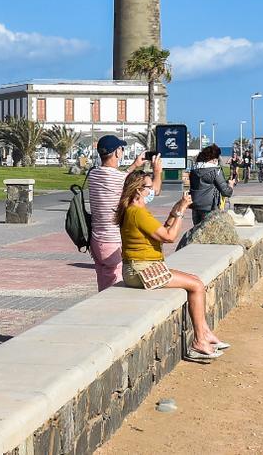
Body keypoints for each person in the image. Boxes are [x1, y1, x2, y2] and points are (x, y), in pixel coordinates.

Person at [117, 171, 226, 359]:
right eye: (149, 188)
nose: (152, 191)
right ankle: (200, 340)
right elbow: (169, 236)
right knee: (196, 285)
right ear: (138, 190)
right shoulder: (136, 212)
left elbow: (161, 230)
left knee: (195, 279)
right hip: (141, 271)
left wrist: (176, 208)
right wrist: (182, 211)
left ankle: (205, 333)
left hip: (144, 267)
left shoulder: (136, 210)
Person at [87, 135, 160, 291]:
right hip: (112, 242)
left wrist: (133, 166)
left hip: (96, 240)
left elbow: (118, 178)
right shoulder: (121, 179)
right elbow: (153, 191)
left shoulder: (93, 175)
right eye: (121, 148)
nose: (122, 151)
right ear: (117, 153)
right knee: (116, 289)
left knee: (103, 285)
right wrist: (157, 171)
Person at [189, 144, 234, 226]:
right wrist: (231, 185)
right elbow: (226, 192)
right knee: (210, 234)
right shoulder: (215, 171)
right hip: (210, 208)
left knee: (197, 233)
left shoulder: (194, 171)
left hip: (195, 207)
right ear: (214, 159)